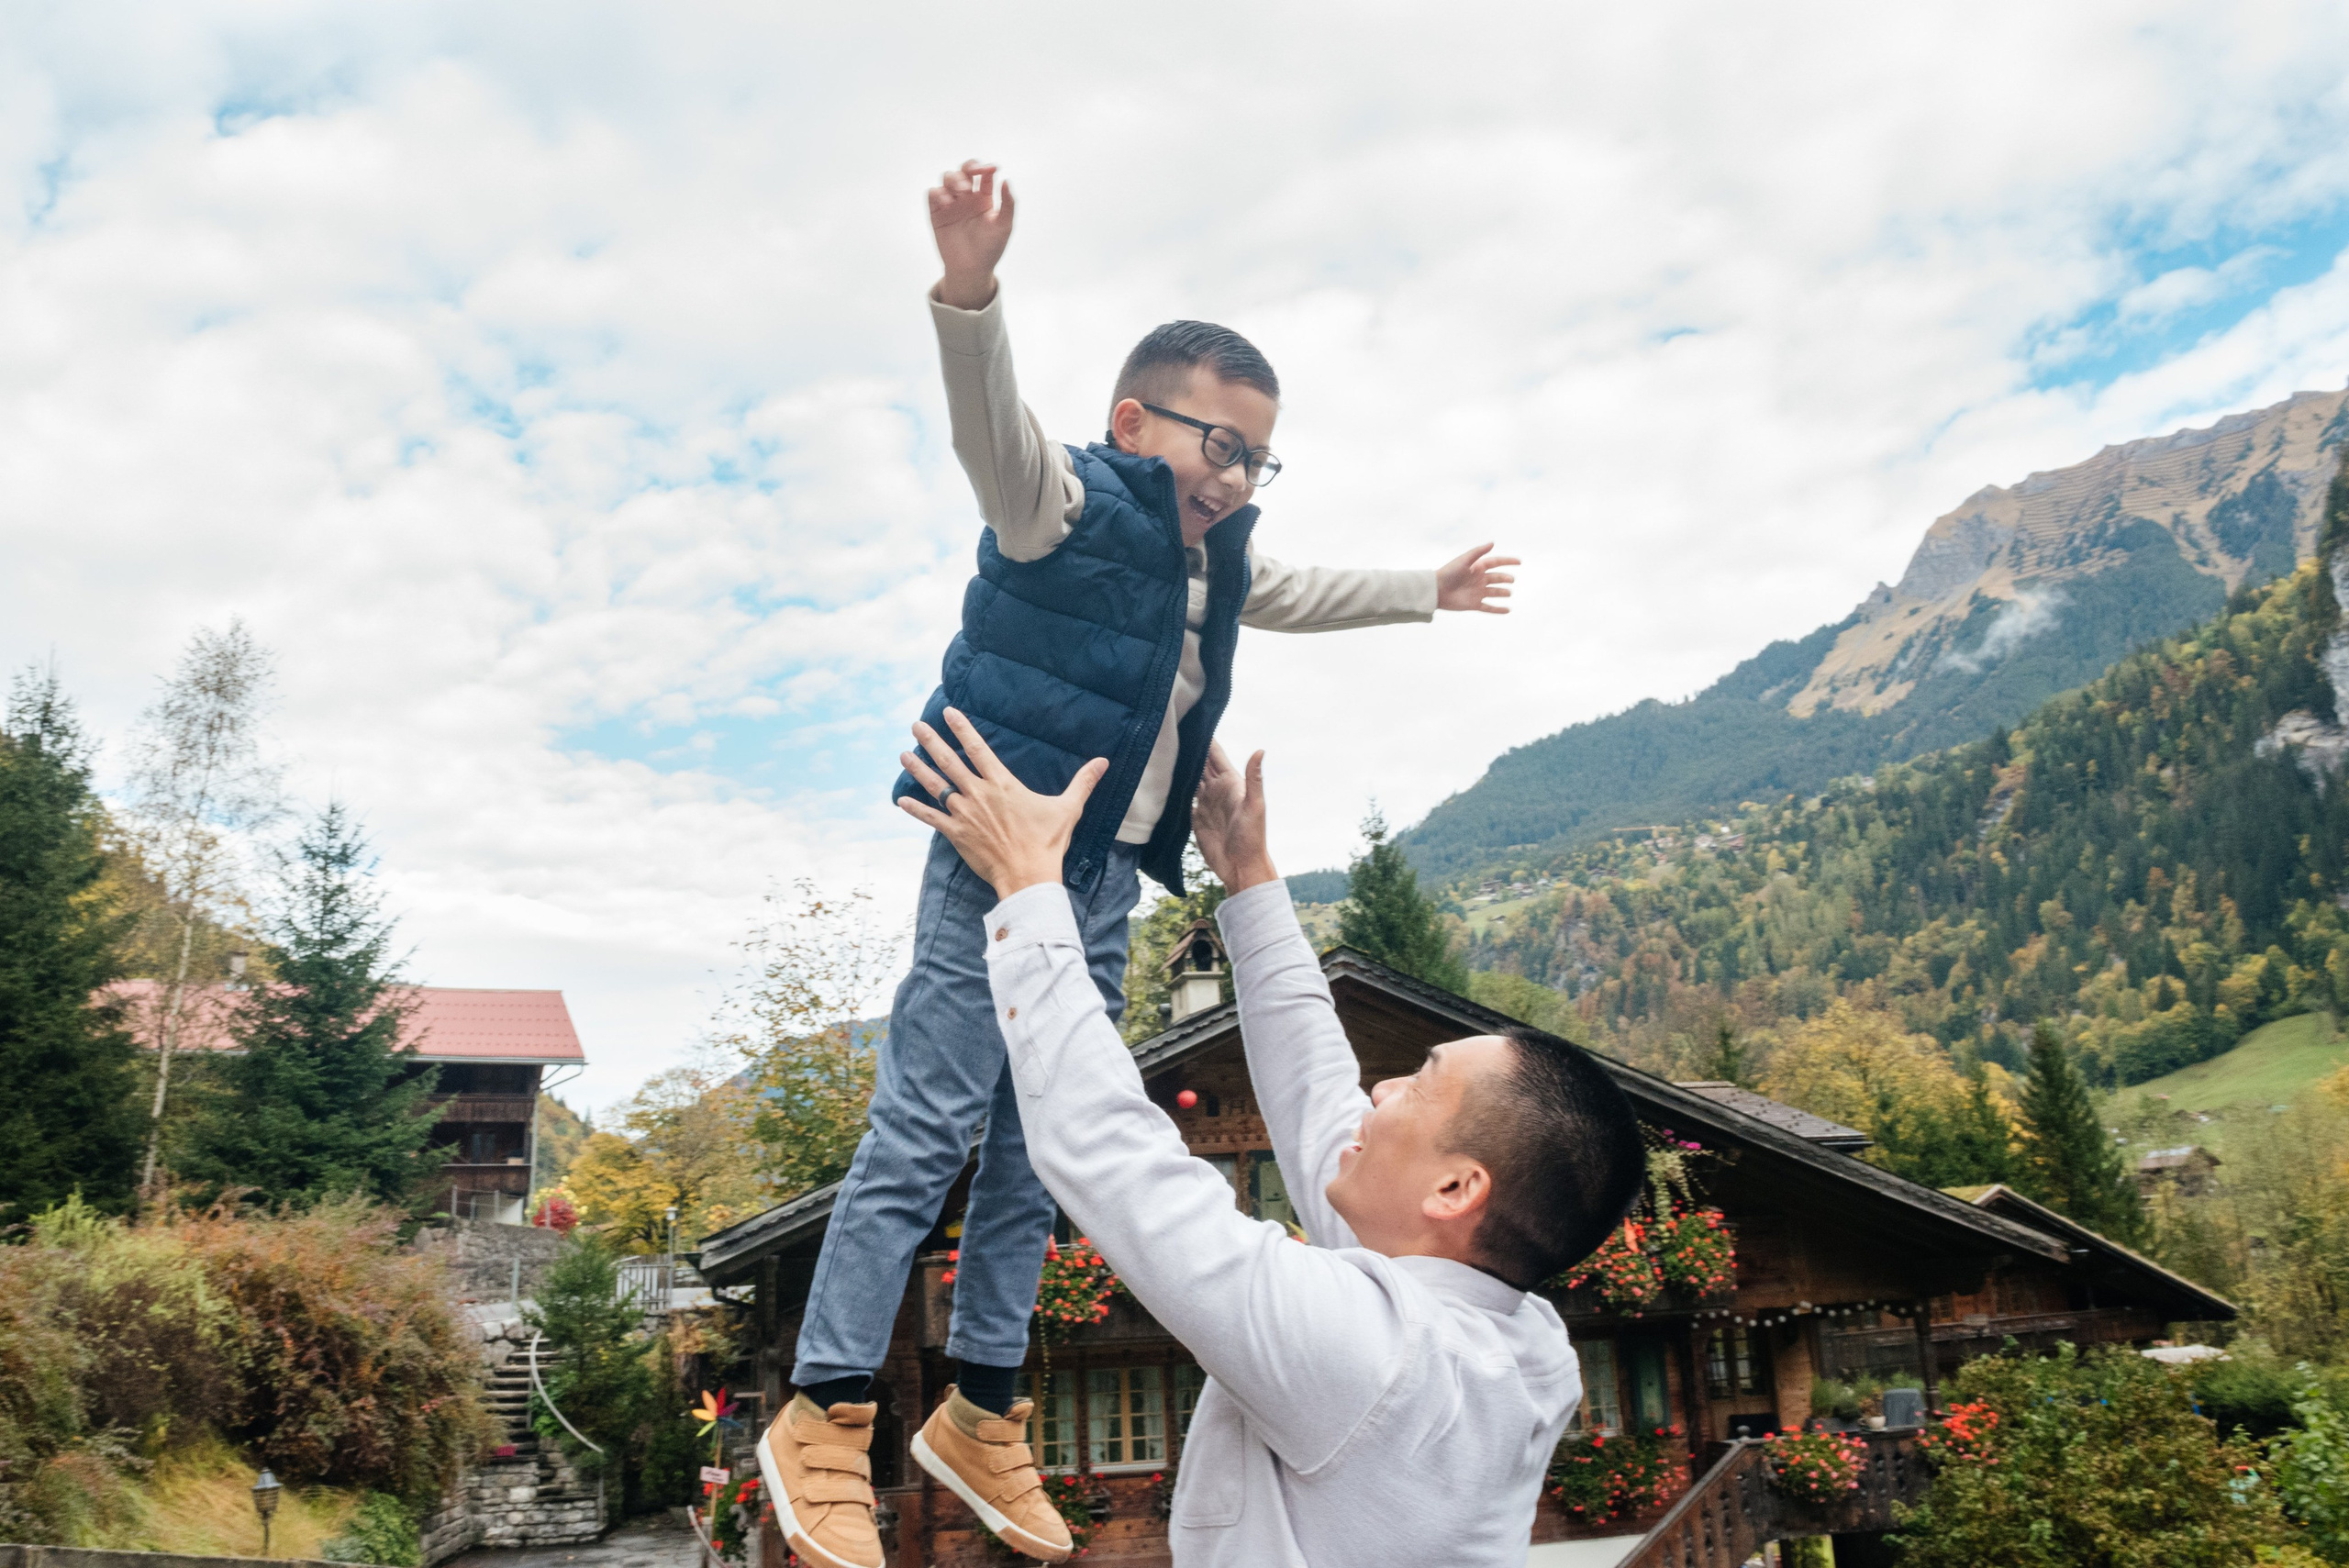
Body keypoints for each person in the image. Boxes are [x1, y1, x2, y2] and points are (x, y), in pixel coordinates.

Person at [758, 159, 1520, 1568]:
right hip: (1001, 849)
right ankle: (824, 1409)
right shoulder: (1063, 506)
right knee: (924, 1127)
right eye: (1216, 445)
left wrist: (1428, 588)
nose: (1234, 478)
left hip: (1099, 878)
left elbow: (1302, 591)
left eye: (1256, 457)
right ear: (1131, 423)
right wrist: (971, 292)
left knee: (1040, 1146)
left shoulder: (1223, 563)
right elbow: (991, 435)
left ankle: (984, 1409)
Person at [875, 711, 1647, 1567]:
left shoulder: (1371, 1355)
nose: (1380, 1090)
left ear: (1457, 1190)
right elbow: (1317, 1093)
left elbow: (1111, 1152)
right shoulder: (1522, 1347)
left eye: (1416, 1084)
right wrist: (1248, 879)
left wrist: (1026, 886)